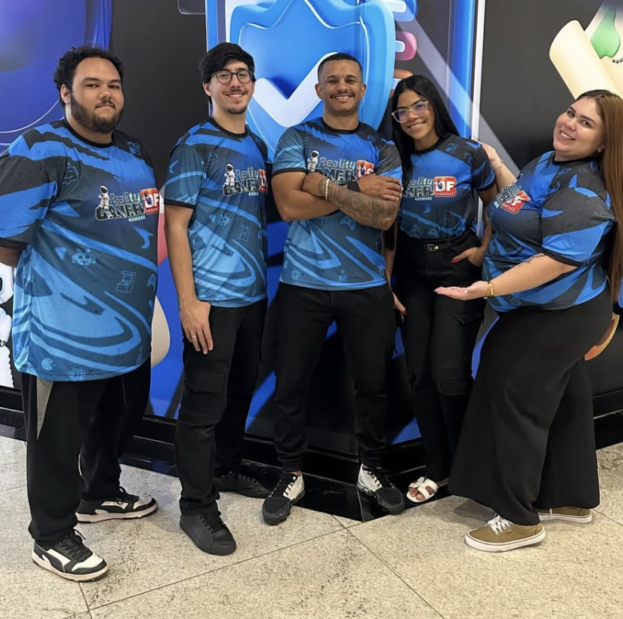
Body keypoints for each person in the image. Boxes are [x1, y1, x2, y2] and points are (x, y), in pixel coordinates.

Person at [0, 46, 160, 581]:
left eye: (113, 85)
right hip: (63, 336)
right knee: (56, 443)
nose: (106, 93)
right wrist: (65, 275)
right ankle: (52, 534)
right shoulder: (40, 149)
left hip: (127, 329)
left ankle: (99, 493)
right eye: (92, 84)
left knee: (116, 421)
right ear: (65, 93)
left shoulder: (133, 150)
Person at [437, 90, 623, 552]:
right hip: (545, 305)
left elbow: (554, 262)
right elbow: (521, 202)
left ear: (604, 142)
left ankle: (518, 517)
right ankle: (568, 498)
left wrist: (487, 289)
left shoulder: (584, 190)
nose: (570, 124)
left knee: (513, 394)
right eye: (571, 112)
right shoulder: (549, 161)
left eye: (586, 123)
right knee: (564, 398)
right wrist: (496, 165)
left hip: (561, 310)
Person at [262, 52, 406, 525]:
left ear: (363, 89)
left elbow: (383, 216)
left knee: (373, 385)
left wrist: (323, 186)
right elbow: (289, 206)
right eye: (333, 80)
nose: (342, 86)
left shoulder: (383, 147)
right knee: (290, 383)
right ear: (319, 89)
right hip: (303, 284)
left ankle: (372, 469)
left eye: (351, 80)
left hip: (367, 285)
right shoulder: (297, 138)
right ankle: (290, 472)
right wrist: (358, 190)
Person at [164, 43, 270, 556]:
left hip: (253, 297)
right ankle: (196, 506)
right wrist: (188, 301)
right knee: (203, 404)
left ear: (253, 84)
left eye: (243, 74)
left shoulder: (258, 145)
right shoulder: (194, 145)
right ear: (208, 87)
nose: (235, 82)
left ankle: (226, 468)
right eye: (224, 75)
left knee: (239, 391)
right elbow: (175, 225)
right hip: (211, 299)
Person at [384, 75, 497, 504]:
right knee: (419, 375)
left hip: (456, 266)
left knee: (449, 374)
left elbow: (496, 203)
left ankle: (470, 466)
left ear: (433, 105)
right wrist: (387, 282)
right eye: (402, 110)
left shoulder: (467, 152)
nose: (412, 116)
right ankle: (438, 468)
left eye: (419, 105)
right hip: (411, 270)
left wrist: (483, 250)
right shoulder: (394, 159)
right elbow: (390, 229)